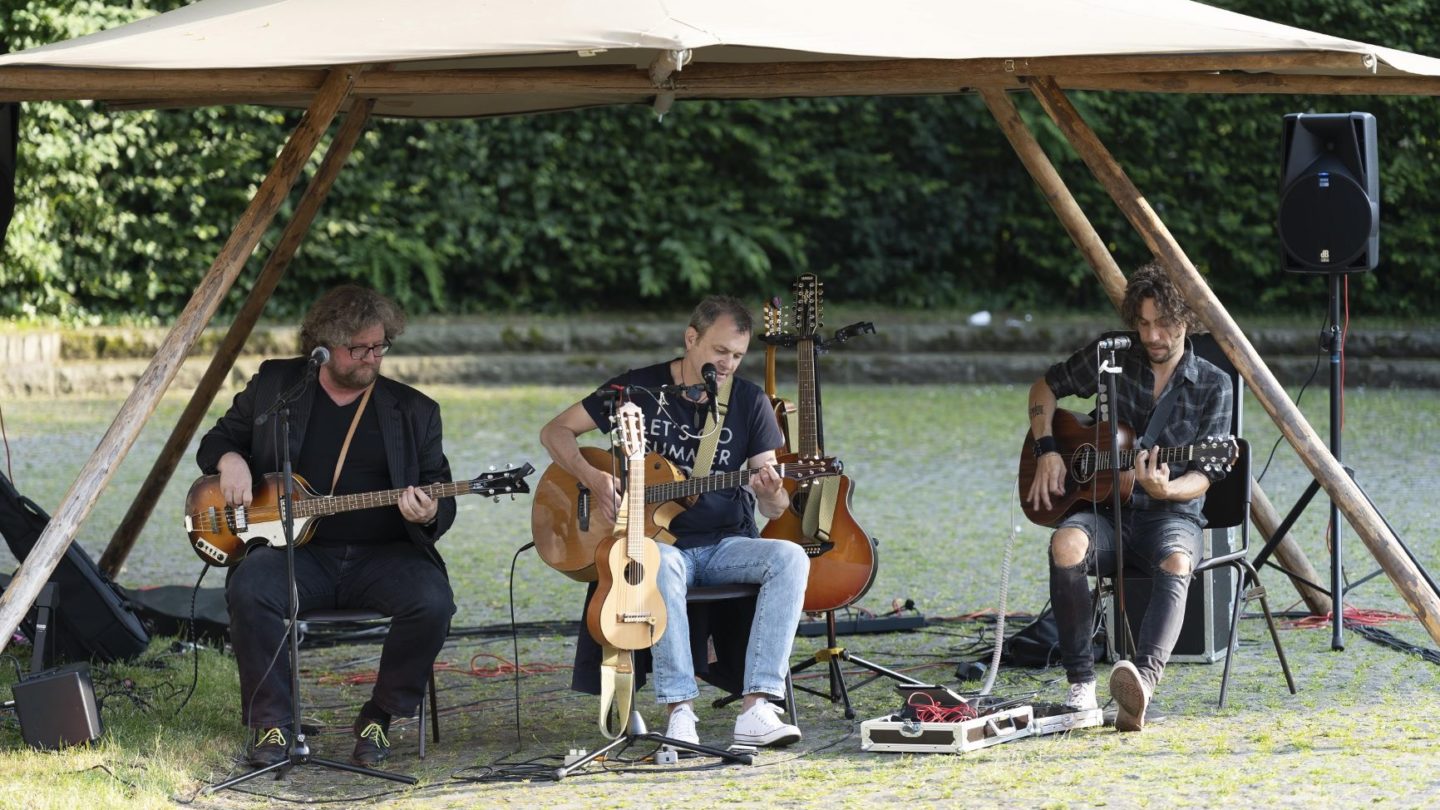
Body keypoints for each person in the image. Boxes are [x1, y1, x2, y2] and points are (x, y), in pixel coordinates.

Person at [196, 284, 456, 768]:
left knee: (434, 600)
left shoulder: (415, 411)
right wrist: (231, 459)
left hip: (384, 555)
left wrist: (430, 513)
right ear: (323, 347)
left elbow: (438, 488)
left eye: (380, 346)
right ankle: (273, 724)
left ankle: (380, 716)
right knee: (250, 588)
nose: (373, 358)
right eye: (359, 349)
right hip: (298, 554)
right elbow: (218, 438)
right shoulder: (277, 386)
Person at [540, 295, 809, 748]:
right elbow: (555, 431)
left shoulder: (749, 401)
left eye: (737, 356)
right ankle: (680, 709)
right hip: (660, 547)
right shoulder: (637, 390)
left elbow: (775, 509)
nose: (727, 364)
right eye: (720, 351)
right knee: (656, 560)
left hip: (726, 545)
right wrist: (594, 477)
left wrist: (771, 490)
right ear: (691, 338)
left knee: (790, 557)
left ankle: (758, 706)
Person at [1024, 262, 1232, 731]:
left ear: (1188, 321)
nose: (1152, 334)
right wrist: (1049, 450)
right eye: (1143, 322)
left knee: (1178, 561)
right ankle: (1081, 687)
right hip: (1105, 511)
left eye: (1164, 323)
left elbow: (1205, 474)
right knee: (1065, 544)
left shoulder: (1214, 385)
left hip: (1171, 516)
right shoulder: (1110, 357)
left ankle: (1141, 683)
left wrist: (1166, 487)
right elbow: (1045, 387)